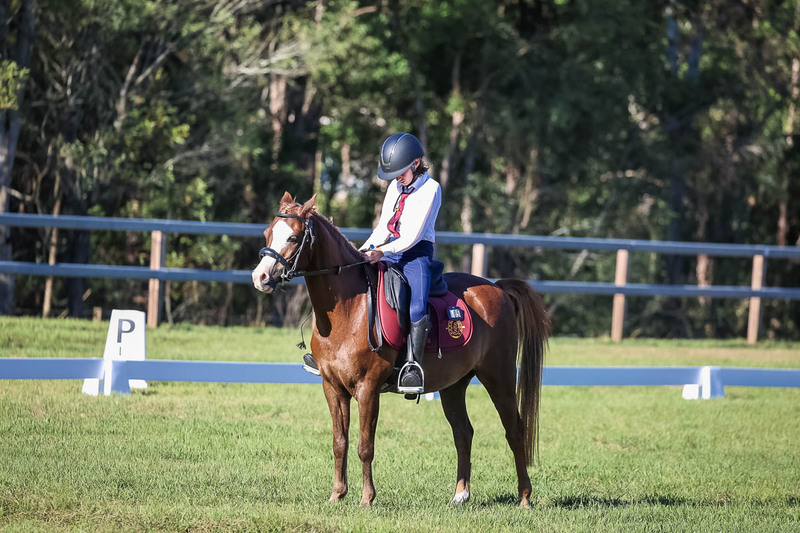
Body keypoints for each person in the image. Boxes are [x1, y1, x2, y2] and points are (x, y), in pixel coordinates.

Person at [303, 132, 442, 393]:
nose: (397, 178)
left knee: (415, 305)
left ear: (415, 163)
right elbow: (382, 228)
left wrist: (382, 251)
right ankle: (325, 350)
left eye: (400, 172)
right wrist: (365, 250)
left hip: (416, 254)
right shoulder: (395, 187)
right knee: (349, 286)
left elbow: (411, 236)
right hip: (387, 249)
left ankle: (413, 366)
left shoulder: (431, 188)